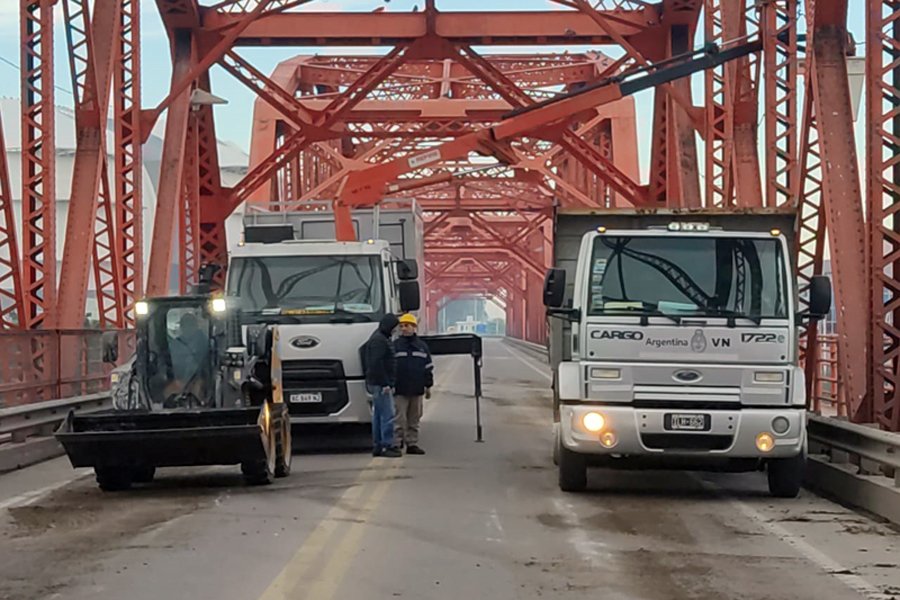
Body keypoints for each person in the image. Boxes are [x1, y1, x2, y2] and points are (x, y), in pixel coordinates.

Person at [393, 313, 433, 455]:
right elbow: (390, 368)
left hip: (416, 389)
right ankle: (397, 444)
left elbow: (428, 368)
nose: (404, 328)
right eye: (402, 326)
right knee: (399, 419)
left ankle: (412, 444)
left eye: (407, 325)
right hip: (400, 389)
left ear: (414, 327)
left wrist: (428, 386)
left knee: (414, 419)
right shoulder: (395, 346)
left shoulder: (422, 347)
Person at [363, 313, 402, 458]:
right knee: (388, 415)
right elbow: (377, 363)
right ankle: (387, 445)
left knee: (378, 415)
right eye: (395, 327)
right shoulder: (380, 341)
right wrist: (386, 383)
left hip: (376, 382)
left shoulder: (378, 337)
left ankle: (378, 445)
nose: (395, 330)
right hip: (381, 384)